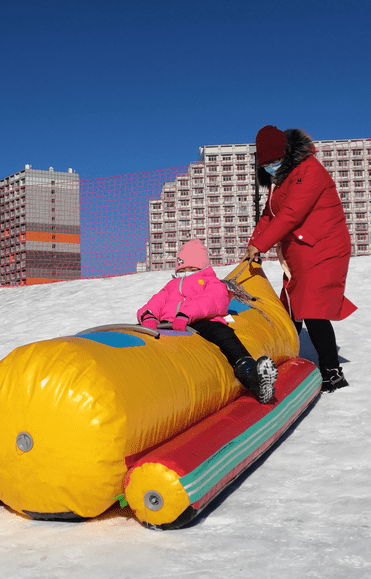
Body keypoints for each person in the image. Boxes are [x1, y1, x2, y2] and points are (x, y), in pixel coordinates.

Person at [243, 125, 357, 393]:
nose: (271, 166)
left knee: (312, 307)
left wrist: (261, 244)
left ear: (285, 153)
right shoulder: (279, 181)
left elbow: (292, 213)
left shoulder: (309, 170)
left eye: (274, 160)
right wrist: (253, 246)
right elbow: (270, 215)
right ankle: (284, 366)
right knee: (290, 308)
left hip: (324, 246)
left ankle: (332, 371)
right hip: (298, 249)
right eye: (266, 163)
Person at [138, 238, 278, 404]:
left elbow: (211, 299)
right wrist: (148, 315)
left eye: (192, 268)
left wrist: (186, 314)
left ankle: (250, 373)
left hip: (200, 321)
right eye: (183, 268)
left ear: (201, 266)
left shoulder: (211, 282)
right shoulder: (172, 285)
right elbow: (157, 301)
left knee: (222, 334)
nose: (187, 271)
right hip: (166, 325)